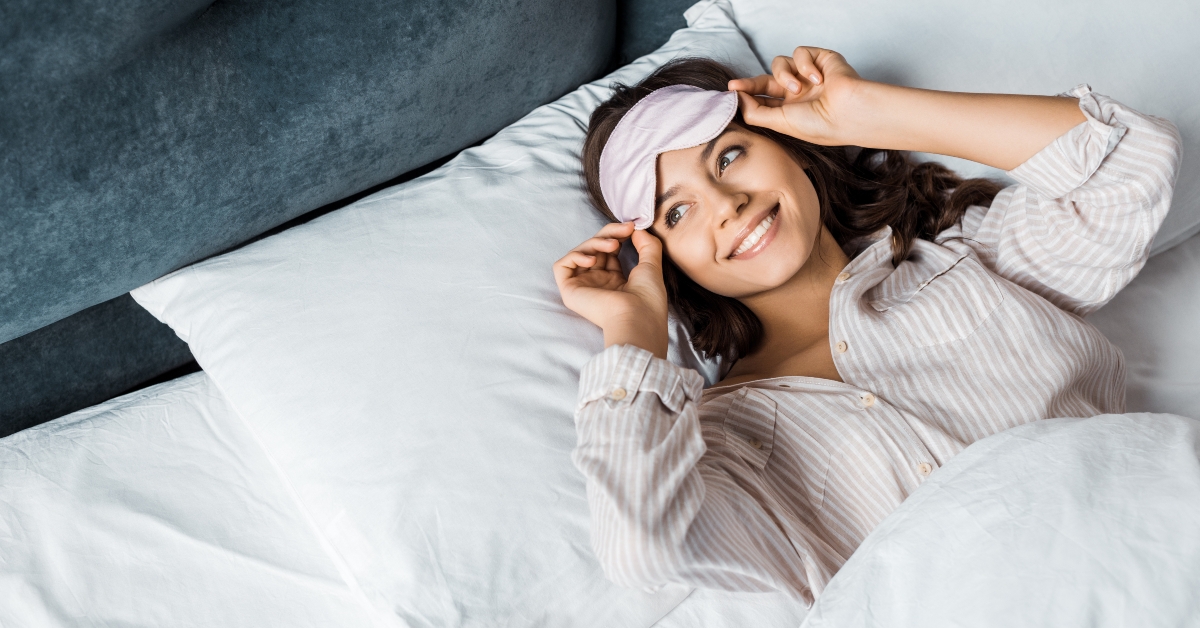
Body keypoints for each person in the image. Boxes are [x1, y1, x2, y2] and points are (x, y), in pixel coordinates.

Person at [551, 48, 1181, 605]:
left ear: (790, 147)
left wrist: (866, 112)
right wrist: (633, 333)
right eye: (678, 211)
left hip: (1158, 550)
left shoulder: (968, 256)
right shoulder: (720, 440)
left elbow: (1134, 162)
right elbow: (641, 549)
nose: (727, 205)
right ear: (661, 258)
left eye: (730, 156)